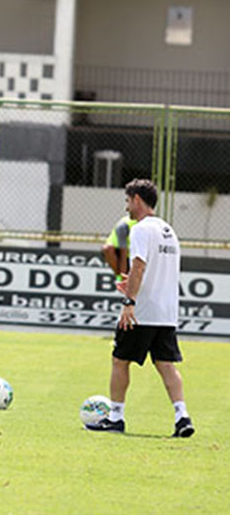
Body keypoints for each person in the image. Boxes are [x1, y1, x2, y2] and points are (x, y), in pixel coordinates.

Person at [86, 179, 194, 437]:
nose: (126, 207)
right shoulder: (169, 230)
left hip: (143, 311)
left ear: (136, 199)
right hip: (166, 313)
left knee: (119, 360)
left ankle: (115, 417)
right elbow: (155, 271)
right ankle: (182, 417)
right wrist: (134, 284)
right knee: (166, 365)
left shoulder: (141, 229)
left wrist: (129, 302)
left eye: (127, 201)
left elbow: (140, 266)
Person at [101, 215, 137, 281]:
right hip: (121, 253)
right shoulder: (123, 226)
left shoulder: (147, 225)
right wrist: (121, 278)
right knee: (107, 249)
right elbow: (123, 253)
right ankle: (120, 278)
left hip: (134, 255)